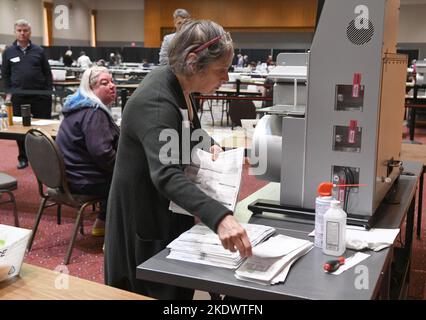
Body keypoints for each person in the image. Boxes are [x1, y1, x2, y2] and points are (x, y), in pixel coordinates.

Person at [105, 19, 252, 299]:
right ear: (193, 62)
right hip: (143, 218)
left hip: (166, 211)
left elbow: (192, 130)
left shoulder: (181, 85)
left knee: (178, 290)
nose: (226, 78)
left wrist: (212, 145)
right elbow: (166, 173)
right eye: (221, 70)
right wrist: (221, 219)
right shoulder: (157, 103)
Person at [56, 66, 119, 237]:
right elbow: (102, 153)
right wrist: (125, 169)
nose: (112, 86)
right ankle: (116, 237)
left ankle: (102, 223)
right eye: (104, 83)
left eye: (112, 81)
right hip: (83, 180)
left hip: (69, 177)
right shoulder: (93, 113)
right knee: (134, 179)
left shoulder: (78, 107)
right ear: (91, 88)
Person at [1, 19, 53, 169]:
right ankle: (23, 157)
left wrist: (48, 93)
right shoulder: (8, 52)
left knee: (43, 128)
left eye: (25, 30)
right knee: (20, 129)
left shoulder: (39, 51)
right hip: (18, 97)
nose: (22, 33)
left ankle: (43, 156)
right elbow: (5, 75)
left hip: (40, 97)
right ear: (15, 32)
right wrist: (8, 94)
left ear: (30, 32)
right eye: (19, 30)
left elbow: (47, 73)